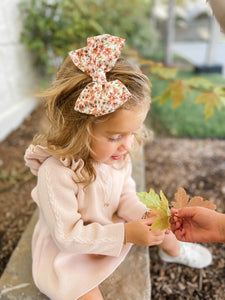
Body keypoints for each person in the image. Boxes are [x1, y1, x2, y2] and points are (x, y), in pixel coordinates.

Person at [24, 34, 212, 300]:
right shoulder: (56, 173)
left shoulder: (116, 156)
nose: (126, 145)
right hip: (72, 247)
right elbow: (68, 237)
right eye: (115, 137)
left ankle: (174, 251)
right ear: (78, 129)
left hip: (109, 226)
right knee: (80, 290)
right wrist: (125, 234)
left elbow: (124, 197)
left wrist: (146, 215)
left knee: (164, 222)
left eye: (132, 133)